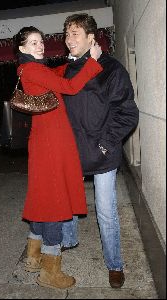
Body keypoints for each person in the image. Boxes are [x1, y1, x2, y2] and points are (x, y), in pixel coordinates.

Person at [13, 26, 103, 290]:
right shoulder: (33, 69)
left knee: (43, 197)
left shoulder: (30, 69)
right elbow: (70, 87)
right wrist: (93, 61)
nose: (40, 46)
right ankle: (50, 271)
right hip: (52, 144)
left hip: (45, 142)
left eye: (41, 41)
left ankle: (33, 256)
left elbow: (56, 74)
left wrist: (74, 62)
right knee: (54, 201)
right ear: (22, 48)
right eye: (32, 43)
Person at [61, 13, 139, 289]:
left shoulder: (111, 69)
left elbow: (127, 114)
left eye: (75, 34)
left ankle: (115, 264)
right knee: (68, 201)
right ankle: (68, 240)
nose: (69, 40)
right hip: (73, 152)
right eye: (67, 34)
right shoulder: (70, 69)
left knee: (105, 212)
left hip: (102, 153)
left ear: (92, 37)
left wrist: (105, 143)